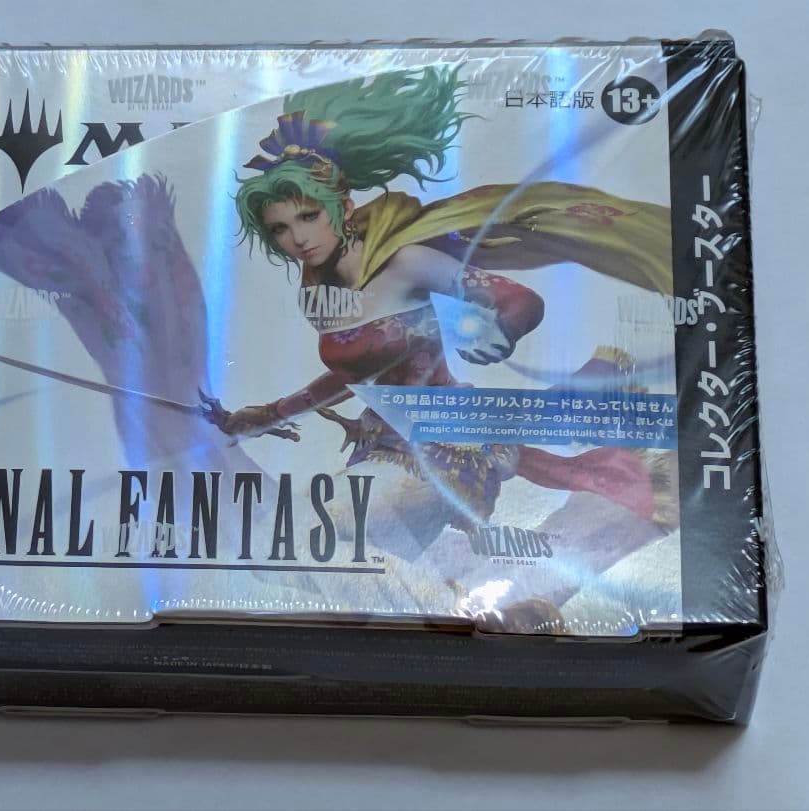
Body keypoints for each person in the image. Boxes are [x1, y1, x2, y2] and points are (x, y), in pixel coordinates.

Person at [200, 65, 677, 532]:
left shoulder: (405, 262)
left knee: (323, 531)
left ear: (342, 208)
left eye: (308, 217)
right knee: (324, 542)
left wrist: (501, 329)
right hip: (382, 444)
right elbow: (354, 376)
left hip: (448, 447)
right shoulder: (317, 292)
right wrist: (270, 414)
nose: (298, 238)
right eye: (280, 228)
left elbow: (520, 301)